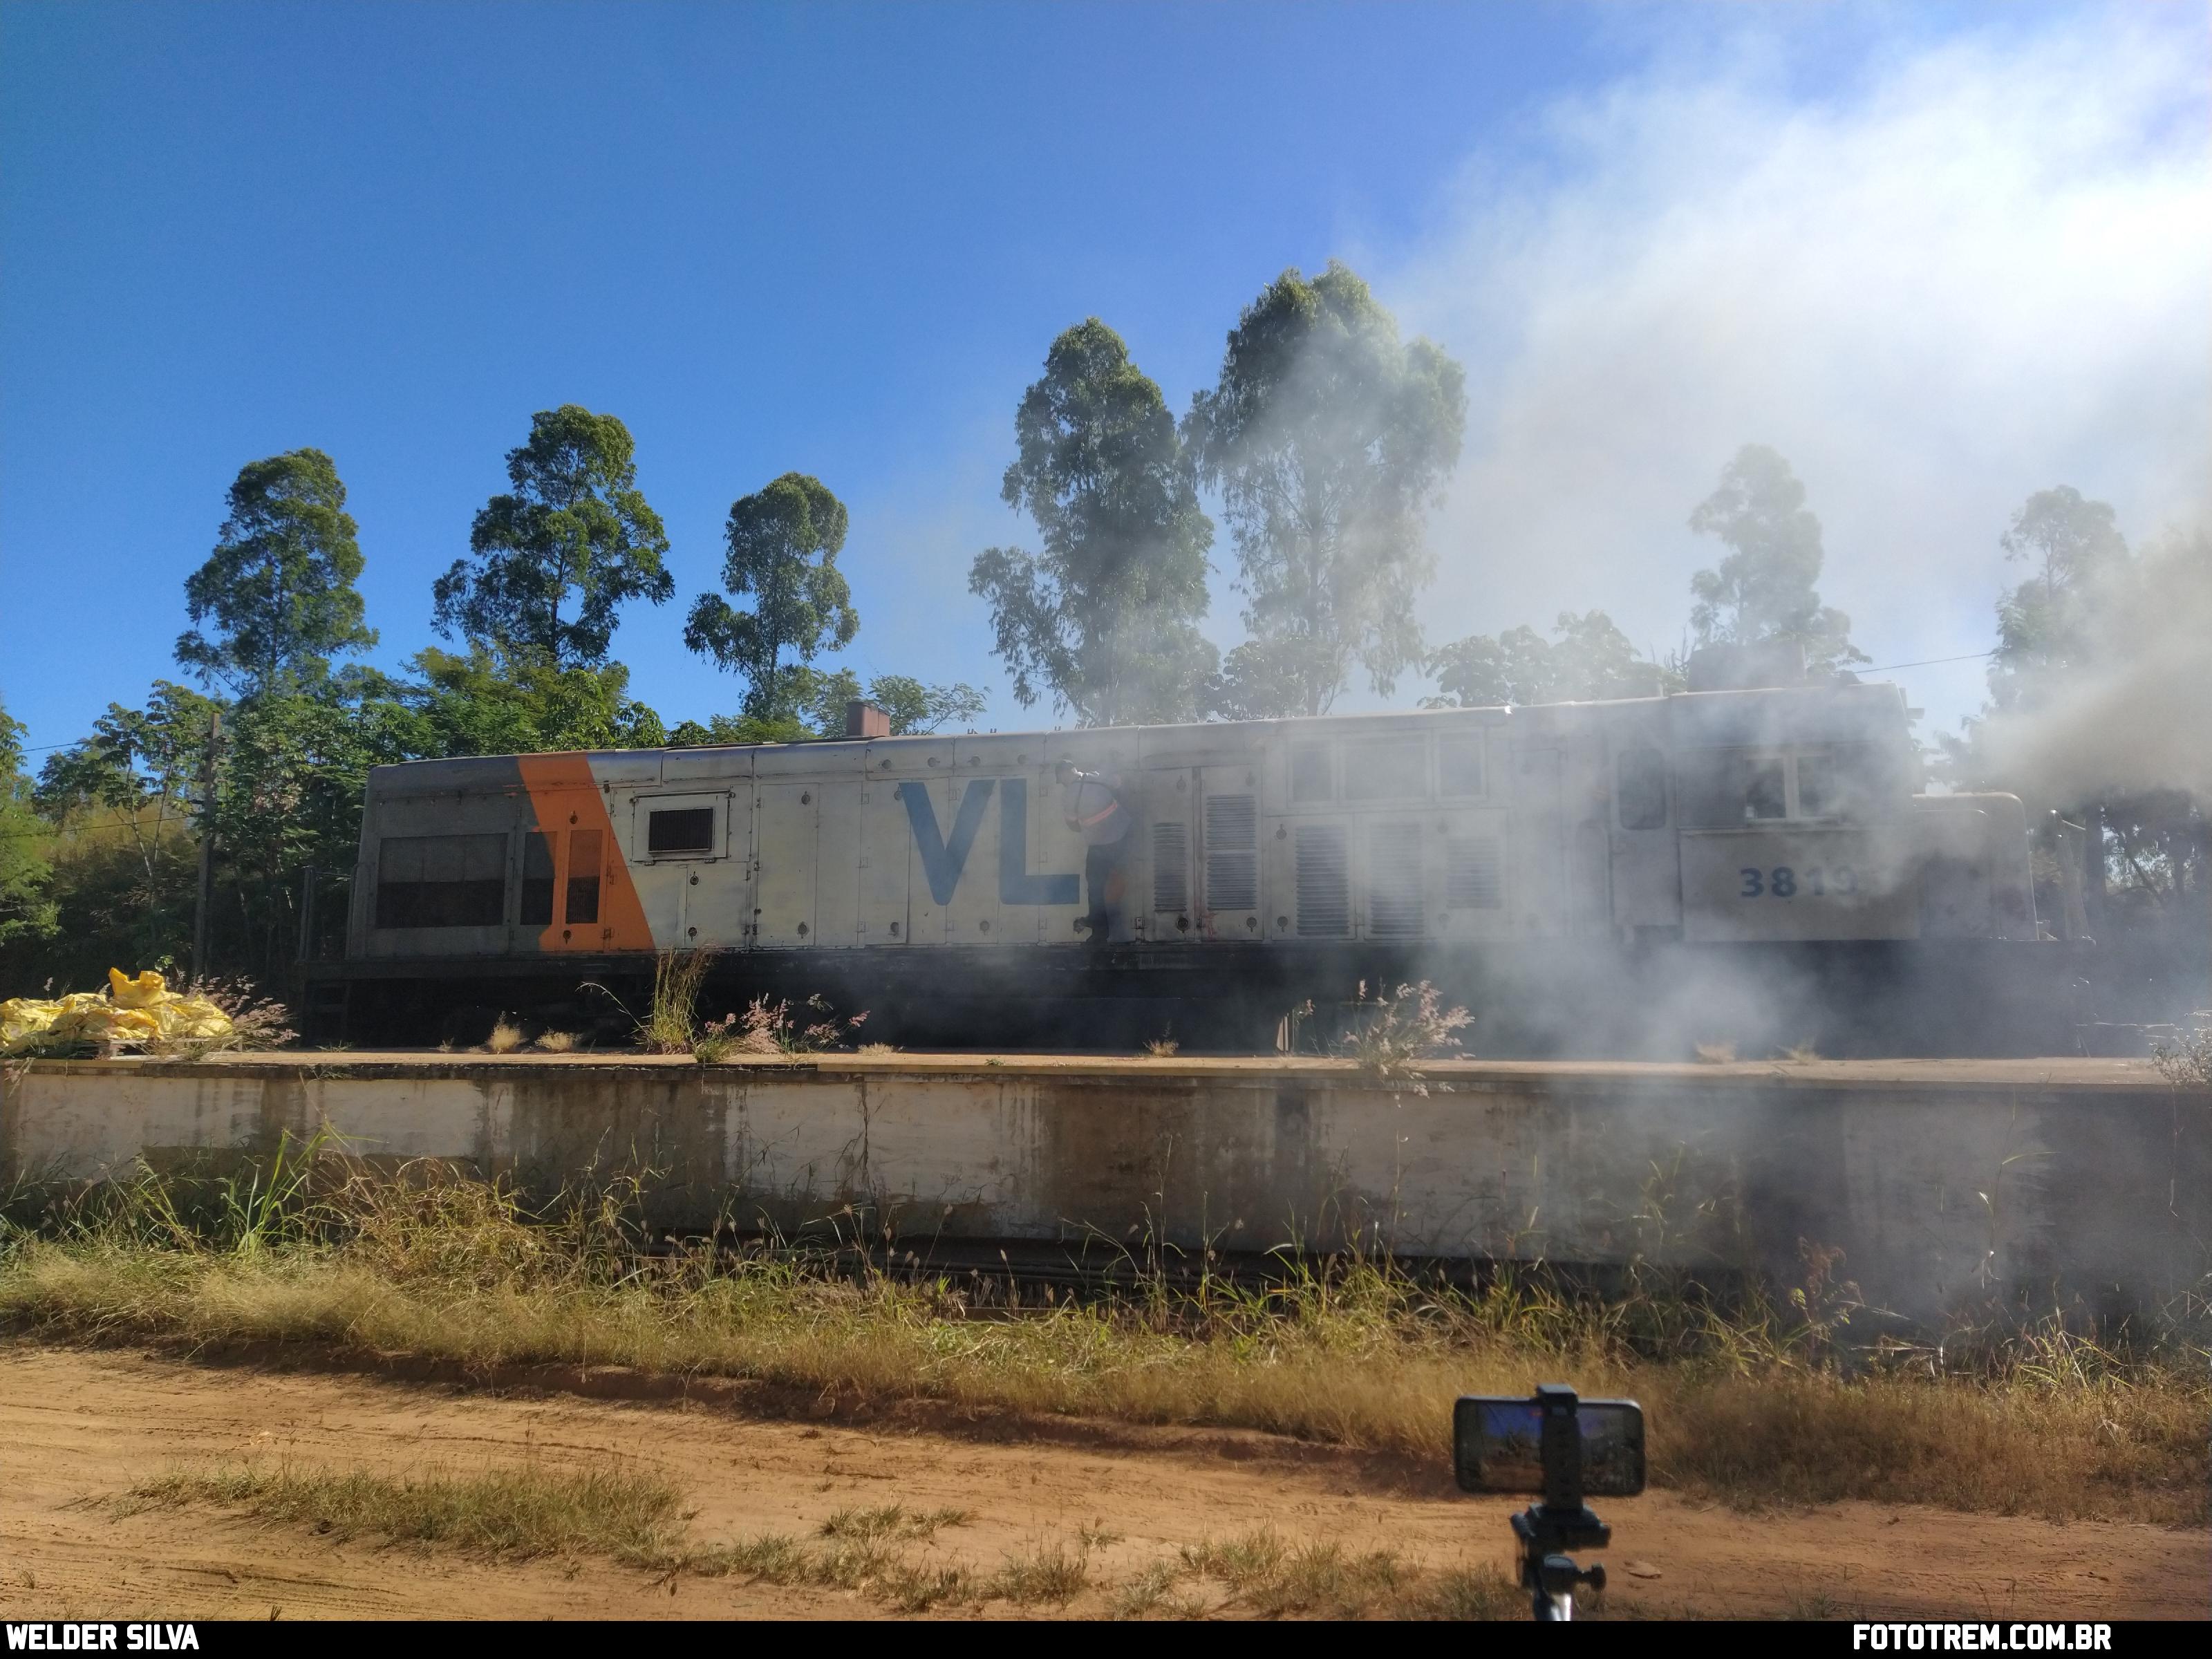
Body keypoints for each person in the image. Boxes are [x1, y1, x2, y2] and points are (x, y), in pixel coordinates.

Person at [1057, 760, 1132, 946]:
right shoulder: (1097, 776)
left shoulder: (1071, 793)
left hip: (1103, 842)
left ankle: (1100, 932)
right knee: (1113, 881)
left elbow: (1072, 824)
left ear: (1065, 774)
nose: (1062, 783)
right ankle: (1103, 921)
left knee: (1095, 886)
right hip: (1125, 831)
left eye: (1060, 779)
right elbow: (1117, 781)